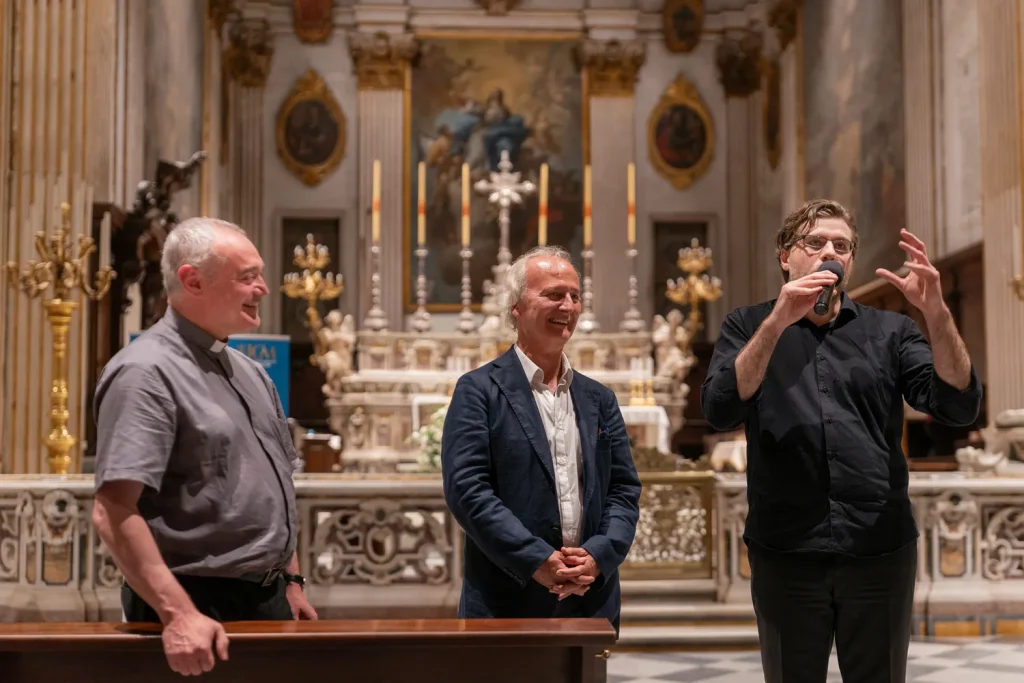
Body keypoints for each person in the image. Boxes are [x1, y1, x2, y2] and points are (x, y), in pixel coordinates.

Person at [701, 199, 982, 683]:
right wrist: (778, 323)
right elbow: (720, 407)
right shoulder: (747, 326)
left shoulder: (891, 331)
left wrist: (934, 311)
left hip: (879, 550)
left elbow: (957, 404)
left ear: (850, 260)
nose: (830, 252)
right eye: (815, 242)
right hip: (787, 551)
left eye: (842, 245)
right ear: (785, 256)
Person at [91, 218, 317, 677]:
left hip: (265, 599)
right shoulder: (146, 373)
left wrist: (291, 580)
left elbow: (274, 488)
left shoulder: (250, 372)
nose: (263, 288)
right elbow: (113, 512)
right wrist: (178, 614)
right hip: (193, 602)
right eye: (247, 276)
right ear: (193, 280)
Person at [441, 246, 642, 633]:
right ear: (516, 305)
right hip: (508, 596)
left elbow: (623, 489)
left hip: (589, 598)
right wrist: (537, 561)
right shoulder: (479, 390)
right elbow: (468, 490)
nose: (567, 305)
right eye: (553, 294)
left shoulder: (599, 398)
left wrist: (598, 557)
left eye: (575, 296)